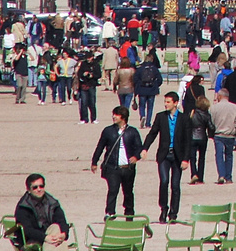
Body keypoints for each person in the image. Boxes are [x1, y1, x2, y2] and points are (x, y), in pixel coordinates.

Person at [91, 106, 143, 218]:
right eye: (113, 114)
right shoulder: (108, 131)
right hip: (112, 167)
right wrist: (94, 161)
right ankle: (110, 212)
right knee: (113, 190)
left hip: (127, 168)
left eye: (116, 115)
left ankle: (129, 212)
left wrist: (136, 157)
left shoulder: (133, 132)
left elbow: (139, 147)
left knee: (128, 191)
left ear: (123, 117)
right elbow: (100, 147)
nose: (114, 117)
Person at [148, 92, 191, 224]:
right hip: (164, 155)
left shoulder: (184, 118)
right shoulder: (161, 117)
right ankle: (163, 208)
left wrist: (186, 159)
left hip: (177, 156)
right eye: (165, 102)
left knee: (175, 185)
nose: (166, 104)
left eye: (168, 102)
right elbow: (153, 133)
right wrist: (144, 148)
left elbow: (188, 141)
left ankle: (173, 213)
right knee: (164, 181)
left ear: (175, 103)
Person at [13, 173, 71, 251]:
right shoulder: (23, 207)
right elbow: (27, 230)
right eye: (35, 187)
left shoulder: (52, 203)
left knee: (56, 228)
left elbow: (61, 220)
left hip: (52, 236)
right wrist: (45, 237)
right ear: (28, 189)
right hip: (33, 240)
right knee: (61, 244)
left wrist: (63, 234)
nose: (39, 189)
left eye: (41, 186)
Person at [208, 87, 236, 185]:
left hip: (218, 134)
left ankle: (221, 175)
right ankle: (228, 177)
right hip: (230, 134)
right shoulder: (235, 107)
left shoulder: (214, 107)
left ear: (220, 96)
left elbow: (212, 122)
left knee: (219, 155)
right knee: (229, 156)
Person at [186, 94, 214, 184]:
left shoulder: (192, 113)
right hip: (202, 137)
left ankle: (194, 173)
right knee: (202, 158)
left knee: (192, 157)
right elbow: (211, 127)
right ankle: (200, 177)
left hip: (192, 137)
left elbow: (187, 124)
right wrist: (211, 134)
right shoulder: (207, 115)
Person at [134, 54, 162, 127]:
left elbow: (135, 79)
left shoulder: (140, 69)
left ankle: (142, 116)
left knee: (142, 105)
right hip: (151, 89)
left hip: (142, 89)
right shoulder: (154, 69)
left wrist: (138, 86)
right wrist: (155, 85)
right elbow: (160, 80)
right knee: (150, 107)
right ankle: (148, 123)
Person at [76, 48, 101, 125]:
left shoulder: (96, 64)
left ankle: (93, 118)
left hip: (92, 85)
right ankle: (84, 119)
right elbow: (79, 74)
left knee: (92, 103)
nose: (88, 59)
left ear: (92, 57)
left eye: (89, 58)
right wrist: (84, 74)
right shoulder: (83, 64)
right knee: (83, 102)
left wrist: (92, 75)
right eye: (87, 58)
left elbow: (99, 75)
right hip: (83, 85)